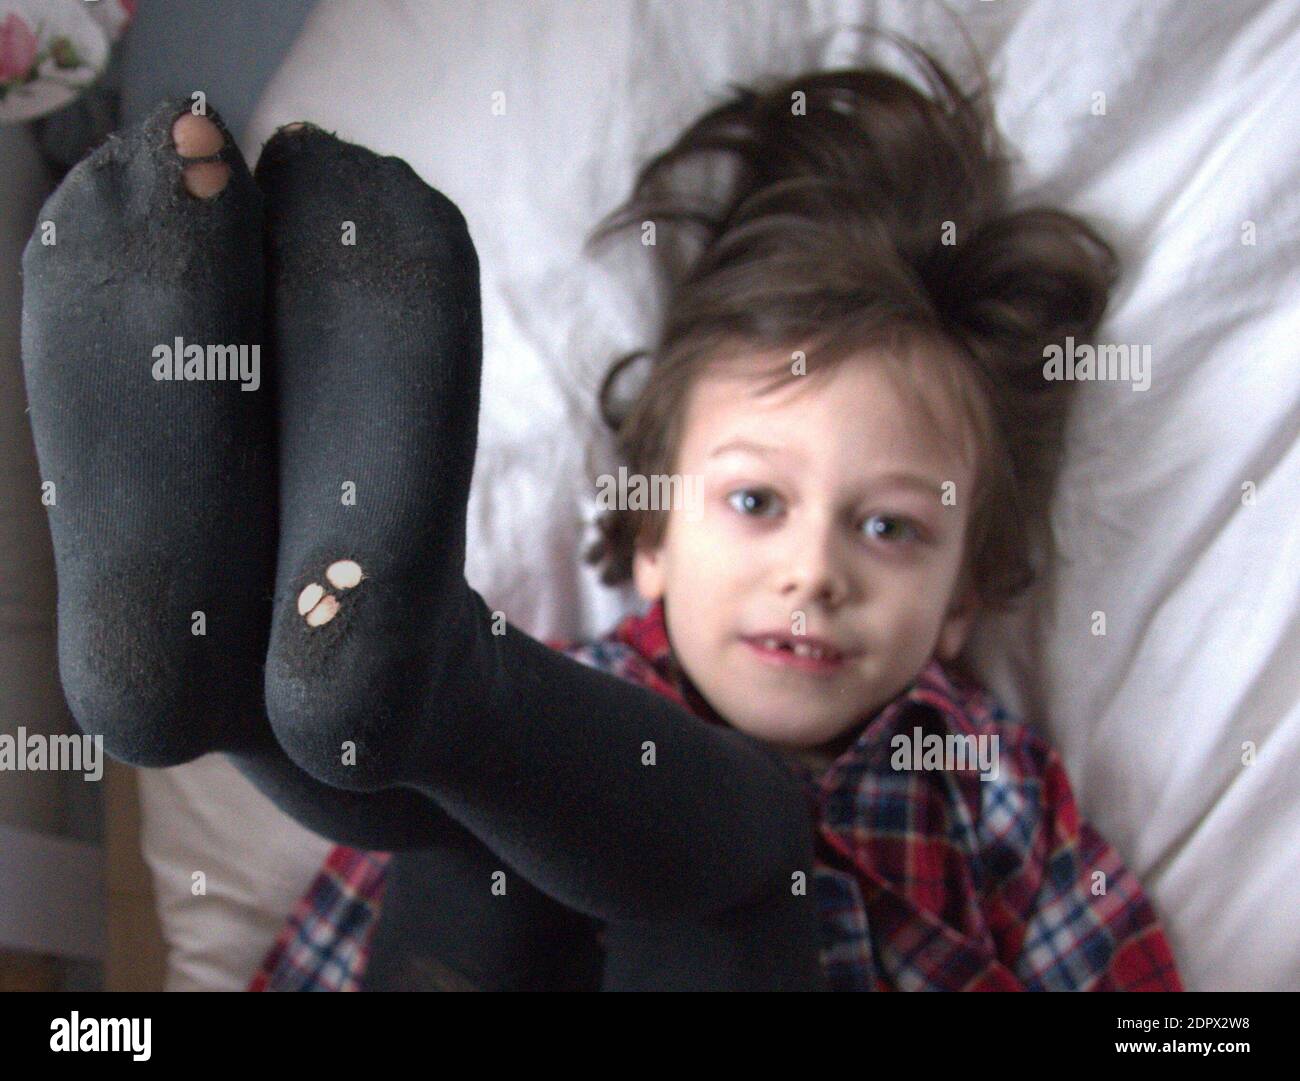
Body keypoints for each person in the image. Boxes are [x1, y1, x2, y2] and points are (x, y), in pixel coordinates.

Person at [23, 29, 1182, 991]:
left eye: (890, 527)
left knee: (690, 837)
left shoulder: (986, 790)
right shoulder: (542, 709)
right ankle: (214, 676)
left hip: (513, 744)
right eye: (753, 499)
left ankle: (236, 694)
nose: (814, 571)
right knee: (481, 808)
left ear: (961, 598)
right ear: (649, 538)